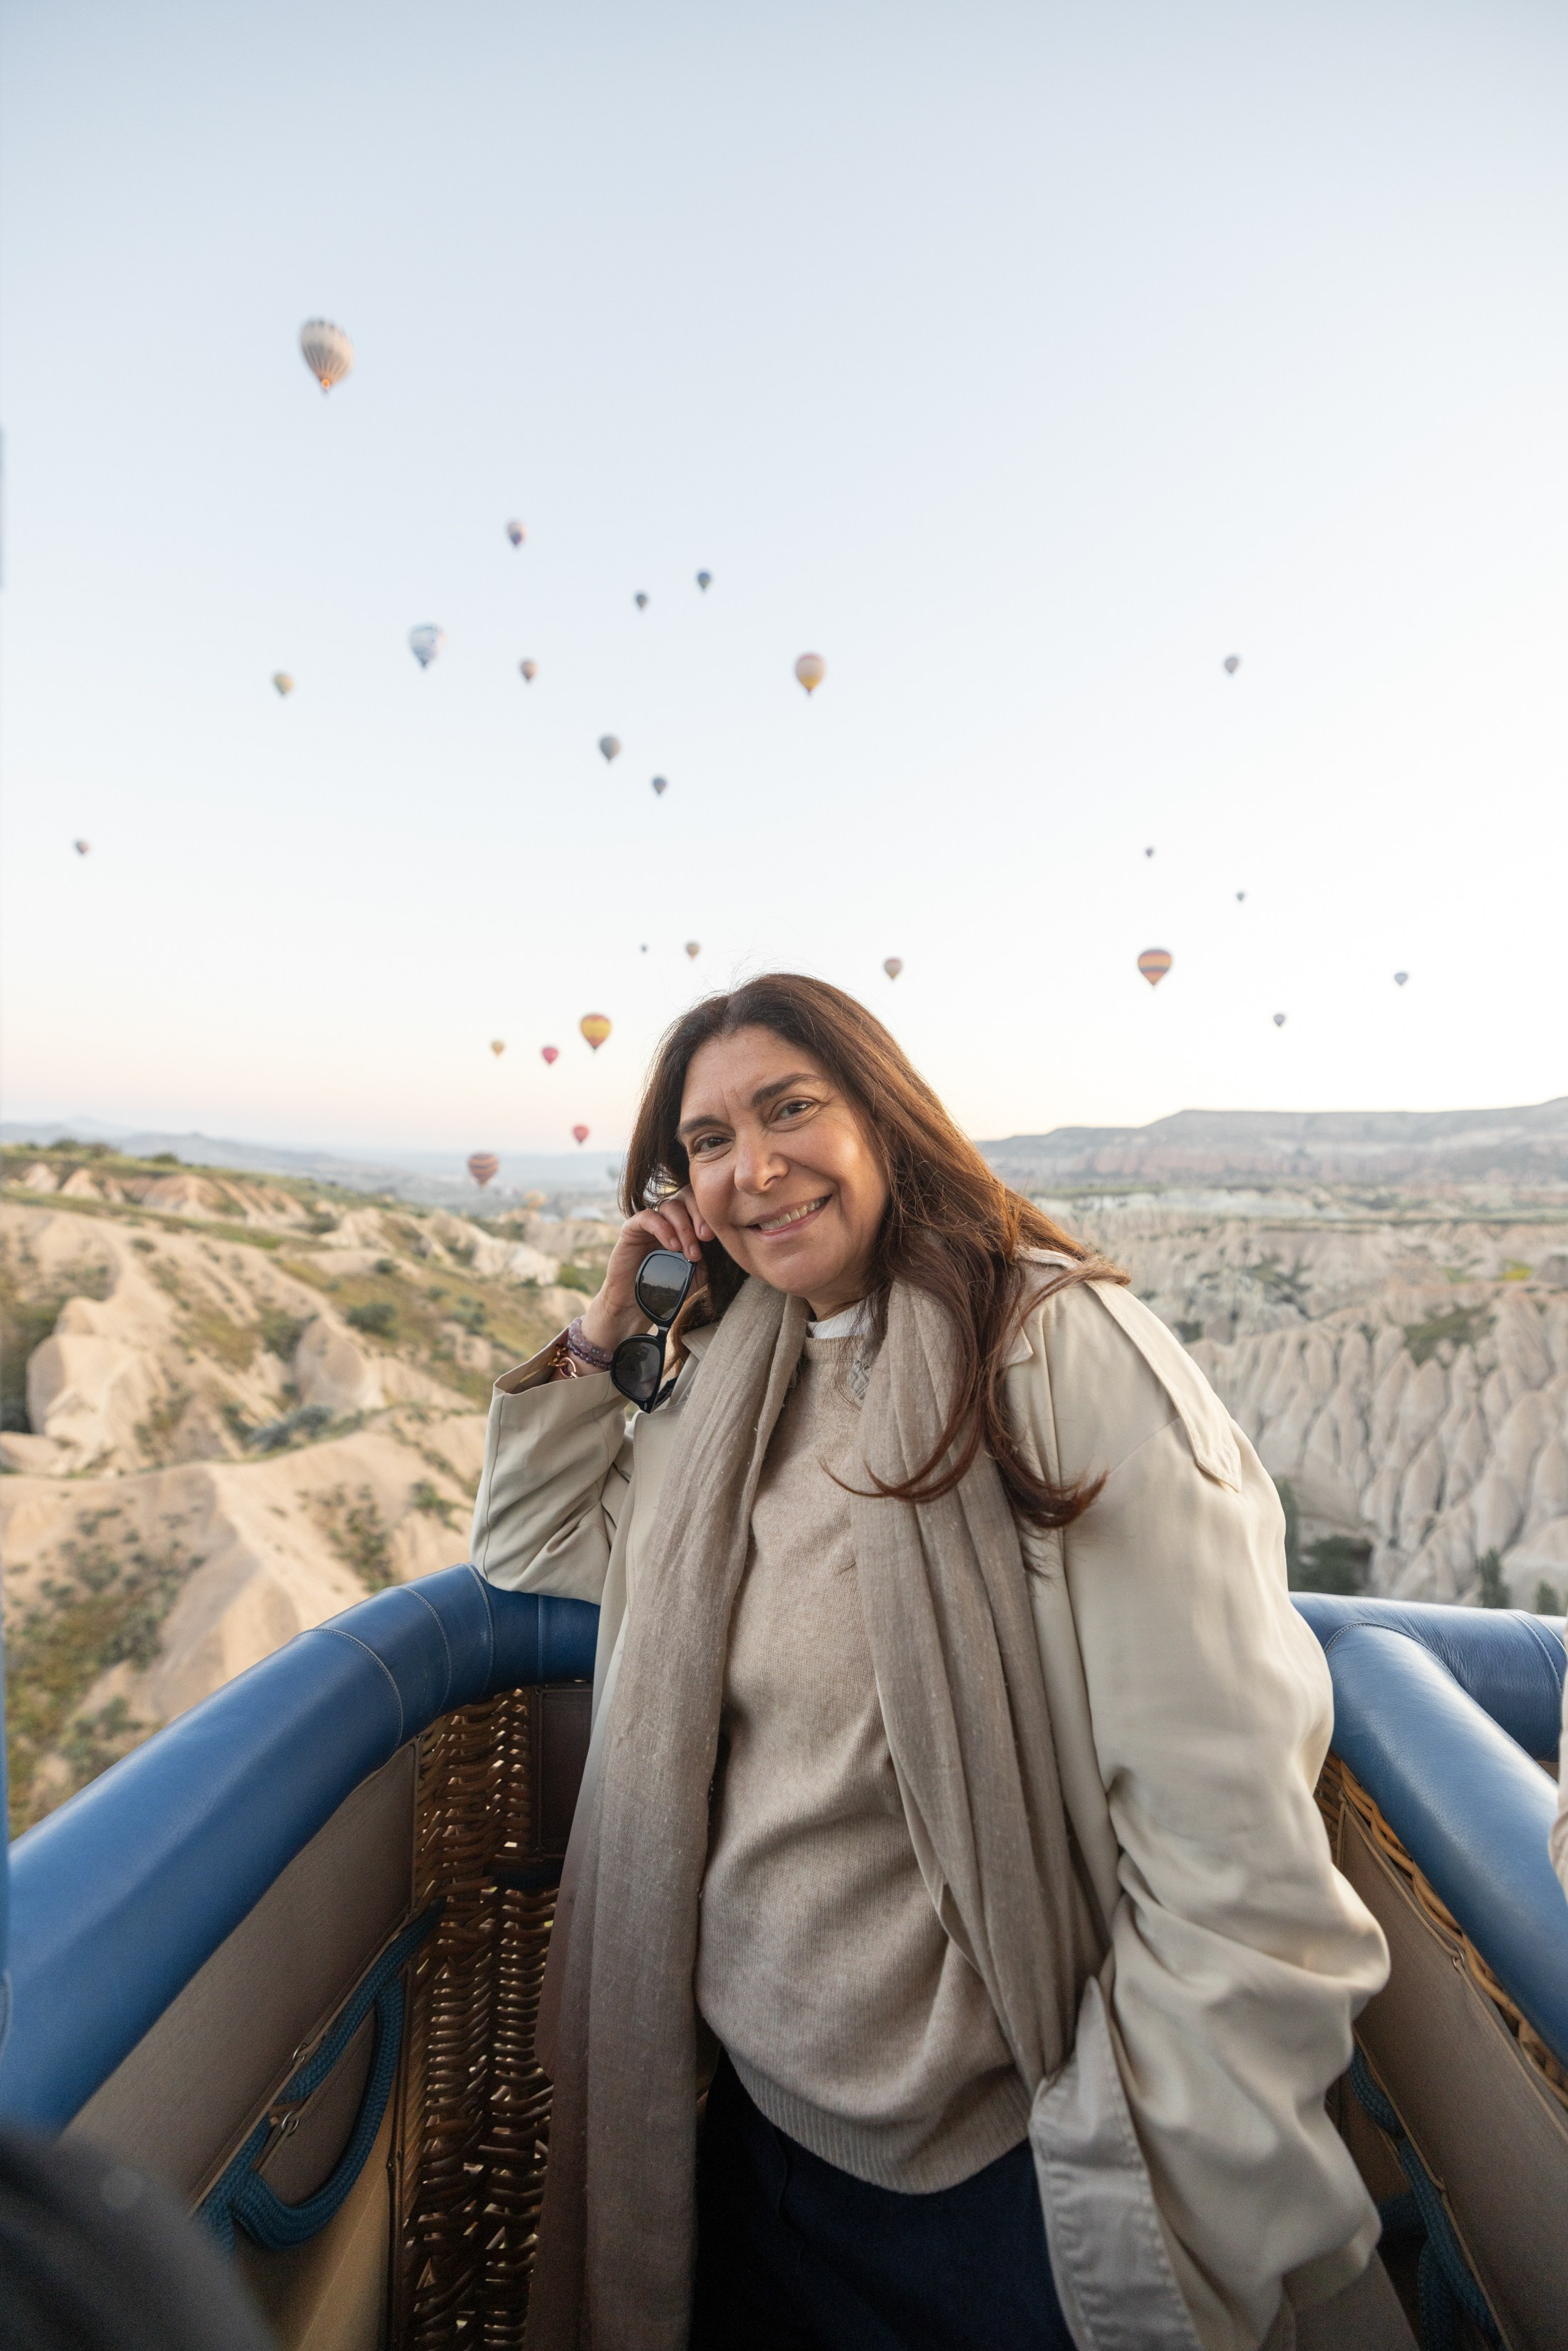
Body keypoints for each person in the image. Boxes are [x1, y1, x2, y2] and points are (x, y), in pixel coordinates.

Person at [469, 974, 1391, 2351]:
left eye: (790, 1110)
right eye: (709, 1142)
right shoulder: (727, 1387)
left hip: (1003, 2174)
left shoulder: (1050, 1355)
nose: (752, 1168)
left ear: (885, 1117)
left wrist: (1151, 2215)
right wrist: (606, 1332)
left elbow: (1230, 1847)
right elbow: (528, 1540)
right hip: (750, 2132)